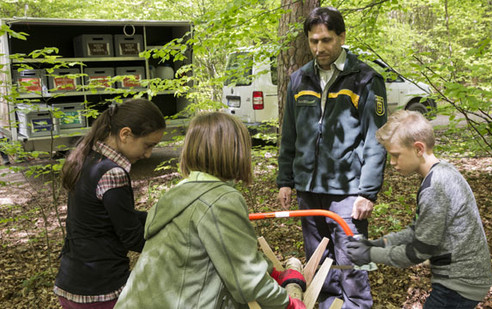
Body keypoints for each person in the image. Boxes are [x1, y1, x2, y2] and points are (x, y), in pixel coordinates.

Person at [115, 111, 306, 309]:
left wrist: (274, 273)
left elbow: (237, 250)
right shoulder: (221, 200)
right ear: (235, 151)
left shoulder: (183, 190)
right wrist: (288, 304)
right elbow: (247, 282)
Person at [276, 6, 388, 309]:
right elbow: (289, 134)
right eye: (313, 41)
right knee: (319, 259)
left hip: (348, 191)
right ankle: (328, 303)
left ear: (341, 36)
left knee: (351, 259)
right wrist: (285, 180)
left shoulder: (365, 79)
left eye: (326, 40)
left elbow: (376, 140)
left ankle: (356, 305)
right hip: (308, 188)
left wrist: (368, 192)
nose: (319, 48)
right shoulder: (299, 80)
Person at [346, 110, 492, 309]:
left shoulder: (435, 187)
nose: (392, 163)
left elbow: (418, 252)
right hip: (460, 282)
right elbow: (417, 231)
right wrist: (378, 244)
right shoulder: (441, 172)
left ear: (418, 148)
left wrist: (371, 255)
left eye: (396, 155)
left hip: (459, 285)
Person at [54, 98, 166, 309]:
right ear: (125, 134)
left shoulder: (88, 157)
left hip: (71, 282)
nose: (149, 153)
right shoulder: (113, 173)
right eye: (148, 145)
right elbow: (131, 236)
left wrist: (158, 216)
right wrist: (173, 246)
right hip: (101, 290)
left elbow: (113, 216)